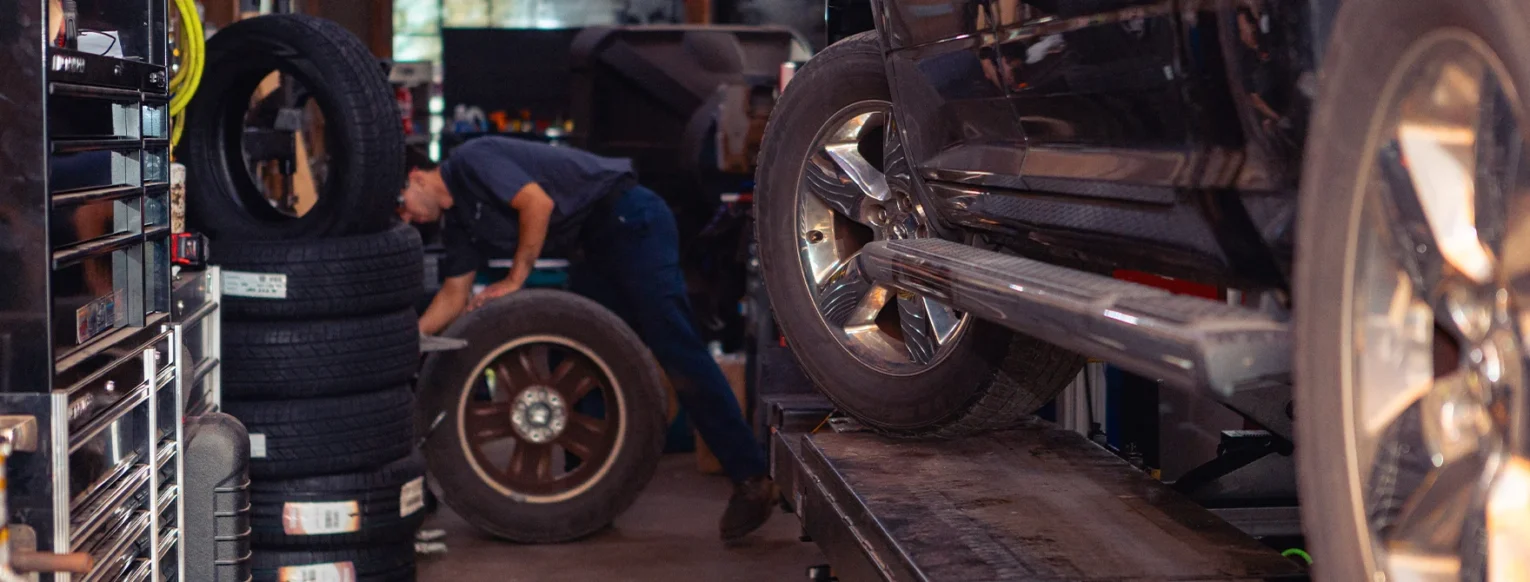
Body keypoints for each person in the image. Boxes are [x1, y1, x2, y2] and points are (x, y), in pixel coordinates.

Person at [400, 137, 777, 541]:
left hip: (631, 219)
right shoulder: (458, 223)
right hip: (594, 242)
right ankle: (591, 496)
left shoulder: (470, 161)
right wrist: (404, 340)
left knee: (675, 347)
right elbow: (455, 295)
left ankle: (752, 477)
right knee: (579, 355)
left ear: (416, 176)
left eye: (402, 205)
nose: (406, 219)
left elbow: (536, 203)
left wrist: (515, 279)